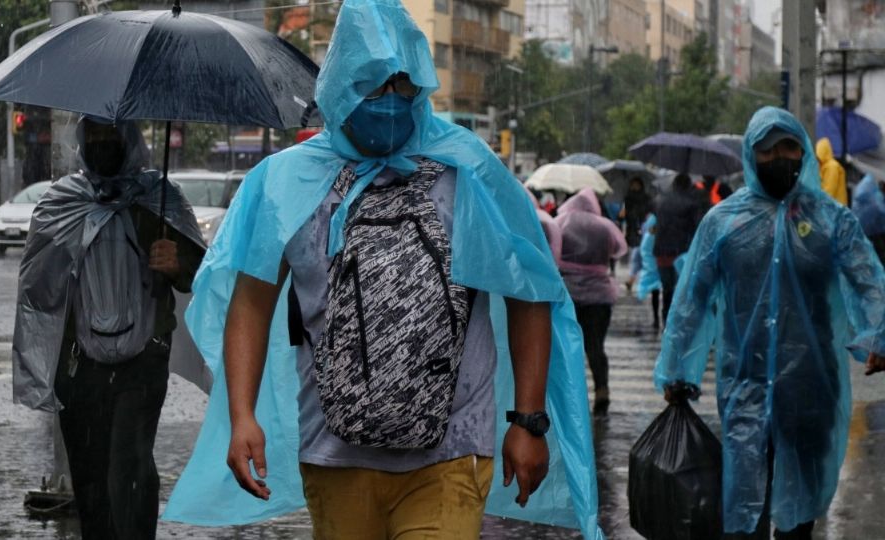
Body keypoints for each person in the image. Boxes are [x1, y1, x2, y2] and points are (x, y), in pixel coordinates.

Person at [162, 1, 603, 539]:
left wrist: (528, 422)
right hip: (334, 453)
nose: (390, 100)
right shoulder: (286, 184)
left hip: (452, 451)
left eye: (402, 83)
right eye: (372, 84)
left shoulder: (469, 170)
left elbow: (528, 292)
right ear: (339, 86)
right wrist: (242, 415)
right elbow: (251, 303)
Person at [654, 106, 885, 539]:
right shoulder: (723, 222)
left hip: (813, 388)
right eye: (767, 149)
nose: (780, 156)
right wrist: (677, 369)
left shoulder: (832, 220)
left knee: (799, 517)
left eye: (789, 146)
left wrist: (880, 334)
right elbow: (691, 301)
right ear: (751, 154)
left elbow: (868, 279)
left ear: (802, 151)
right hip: (745, 384)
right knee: (745, 507)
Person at [12, 117, 205, 539]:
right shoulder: (63, 203)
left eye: (110, 135)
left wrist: (179, 262)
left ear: (129, 140)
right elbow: (36, 286)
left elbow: (202, 273)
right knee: (91, 481)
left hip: (142, 362)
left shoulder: (159, 198)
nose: (102, 143)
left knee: (129, 469)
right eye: (94, 135)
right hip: (81, 369)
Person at [555, 188, 628, 414]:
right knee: (596, 345)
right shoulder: (604, 226)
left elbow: (550, 247)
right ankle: (602, 389)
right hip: (600, 296)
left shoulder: (561, 223)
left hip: (569, 295)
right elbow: (618, 250)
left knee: (568, 346)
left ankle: (571, 394)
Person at [653, 173, 703, 324]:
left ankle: (665, 317)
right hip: (680, 251)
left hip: (661, 250)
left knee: (666, 286)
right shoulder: (691, 204)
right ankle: (676, 321)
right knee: (681, 288)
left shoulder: (660, 201)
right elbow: (696, 229)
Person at [620, 176, 653, 292]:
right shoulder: (627, 198)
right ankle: (636, 279)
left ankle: (632, 279)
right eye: (632, 184)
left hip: (644, 228)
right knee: (638, 254)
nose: (634, 187)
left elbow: (649, 211)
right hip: (632, 228)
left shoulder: (646, 198)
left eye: (636, 184)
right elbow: (624, 214)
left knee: (637, 254)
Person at [635, 214, 662, 330]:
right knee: (667, 293)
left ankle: (657, 318)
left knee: (656, 293)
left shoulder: (648, 237)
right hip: (662, 265)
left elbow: (644, 251)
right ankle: (661, 317)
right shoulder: (660, 235)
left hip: (653, 268)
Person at [852, 173, 885, 263]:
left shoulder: (866, 191)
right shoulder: (876, 200)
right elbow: (880, 213)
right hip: (874, 232)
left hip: (863, 228)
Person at [815, 137, 848, 205]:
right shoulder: (824, 167)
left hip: (836, 210)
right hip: (834, 208)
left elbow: (828, 192)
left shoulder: (831, 166)